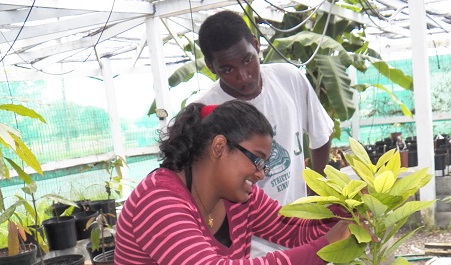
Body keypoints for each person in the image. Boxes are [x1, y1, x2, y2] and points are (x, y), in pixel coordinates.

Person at [114, 101, 350, 265]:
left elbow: (295, 230)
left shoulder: (240, 198)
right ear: (219, 147)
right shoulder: (157, 201)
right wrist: (325, 247)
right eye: (257, 159)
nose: (261, 173)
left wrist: (346, 210)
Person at [195, 10, 335, 257]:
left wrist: (319, 191)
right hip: (245, 244)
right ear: (210, 66)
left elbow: (320, 133)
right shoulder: (206, 112)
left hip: (297, 224)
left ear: (256, 46)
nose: (243, 76)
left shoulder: (289, 78)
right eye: (228, 69)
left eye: (248, 60)